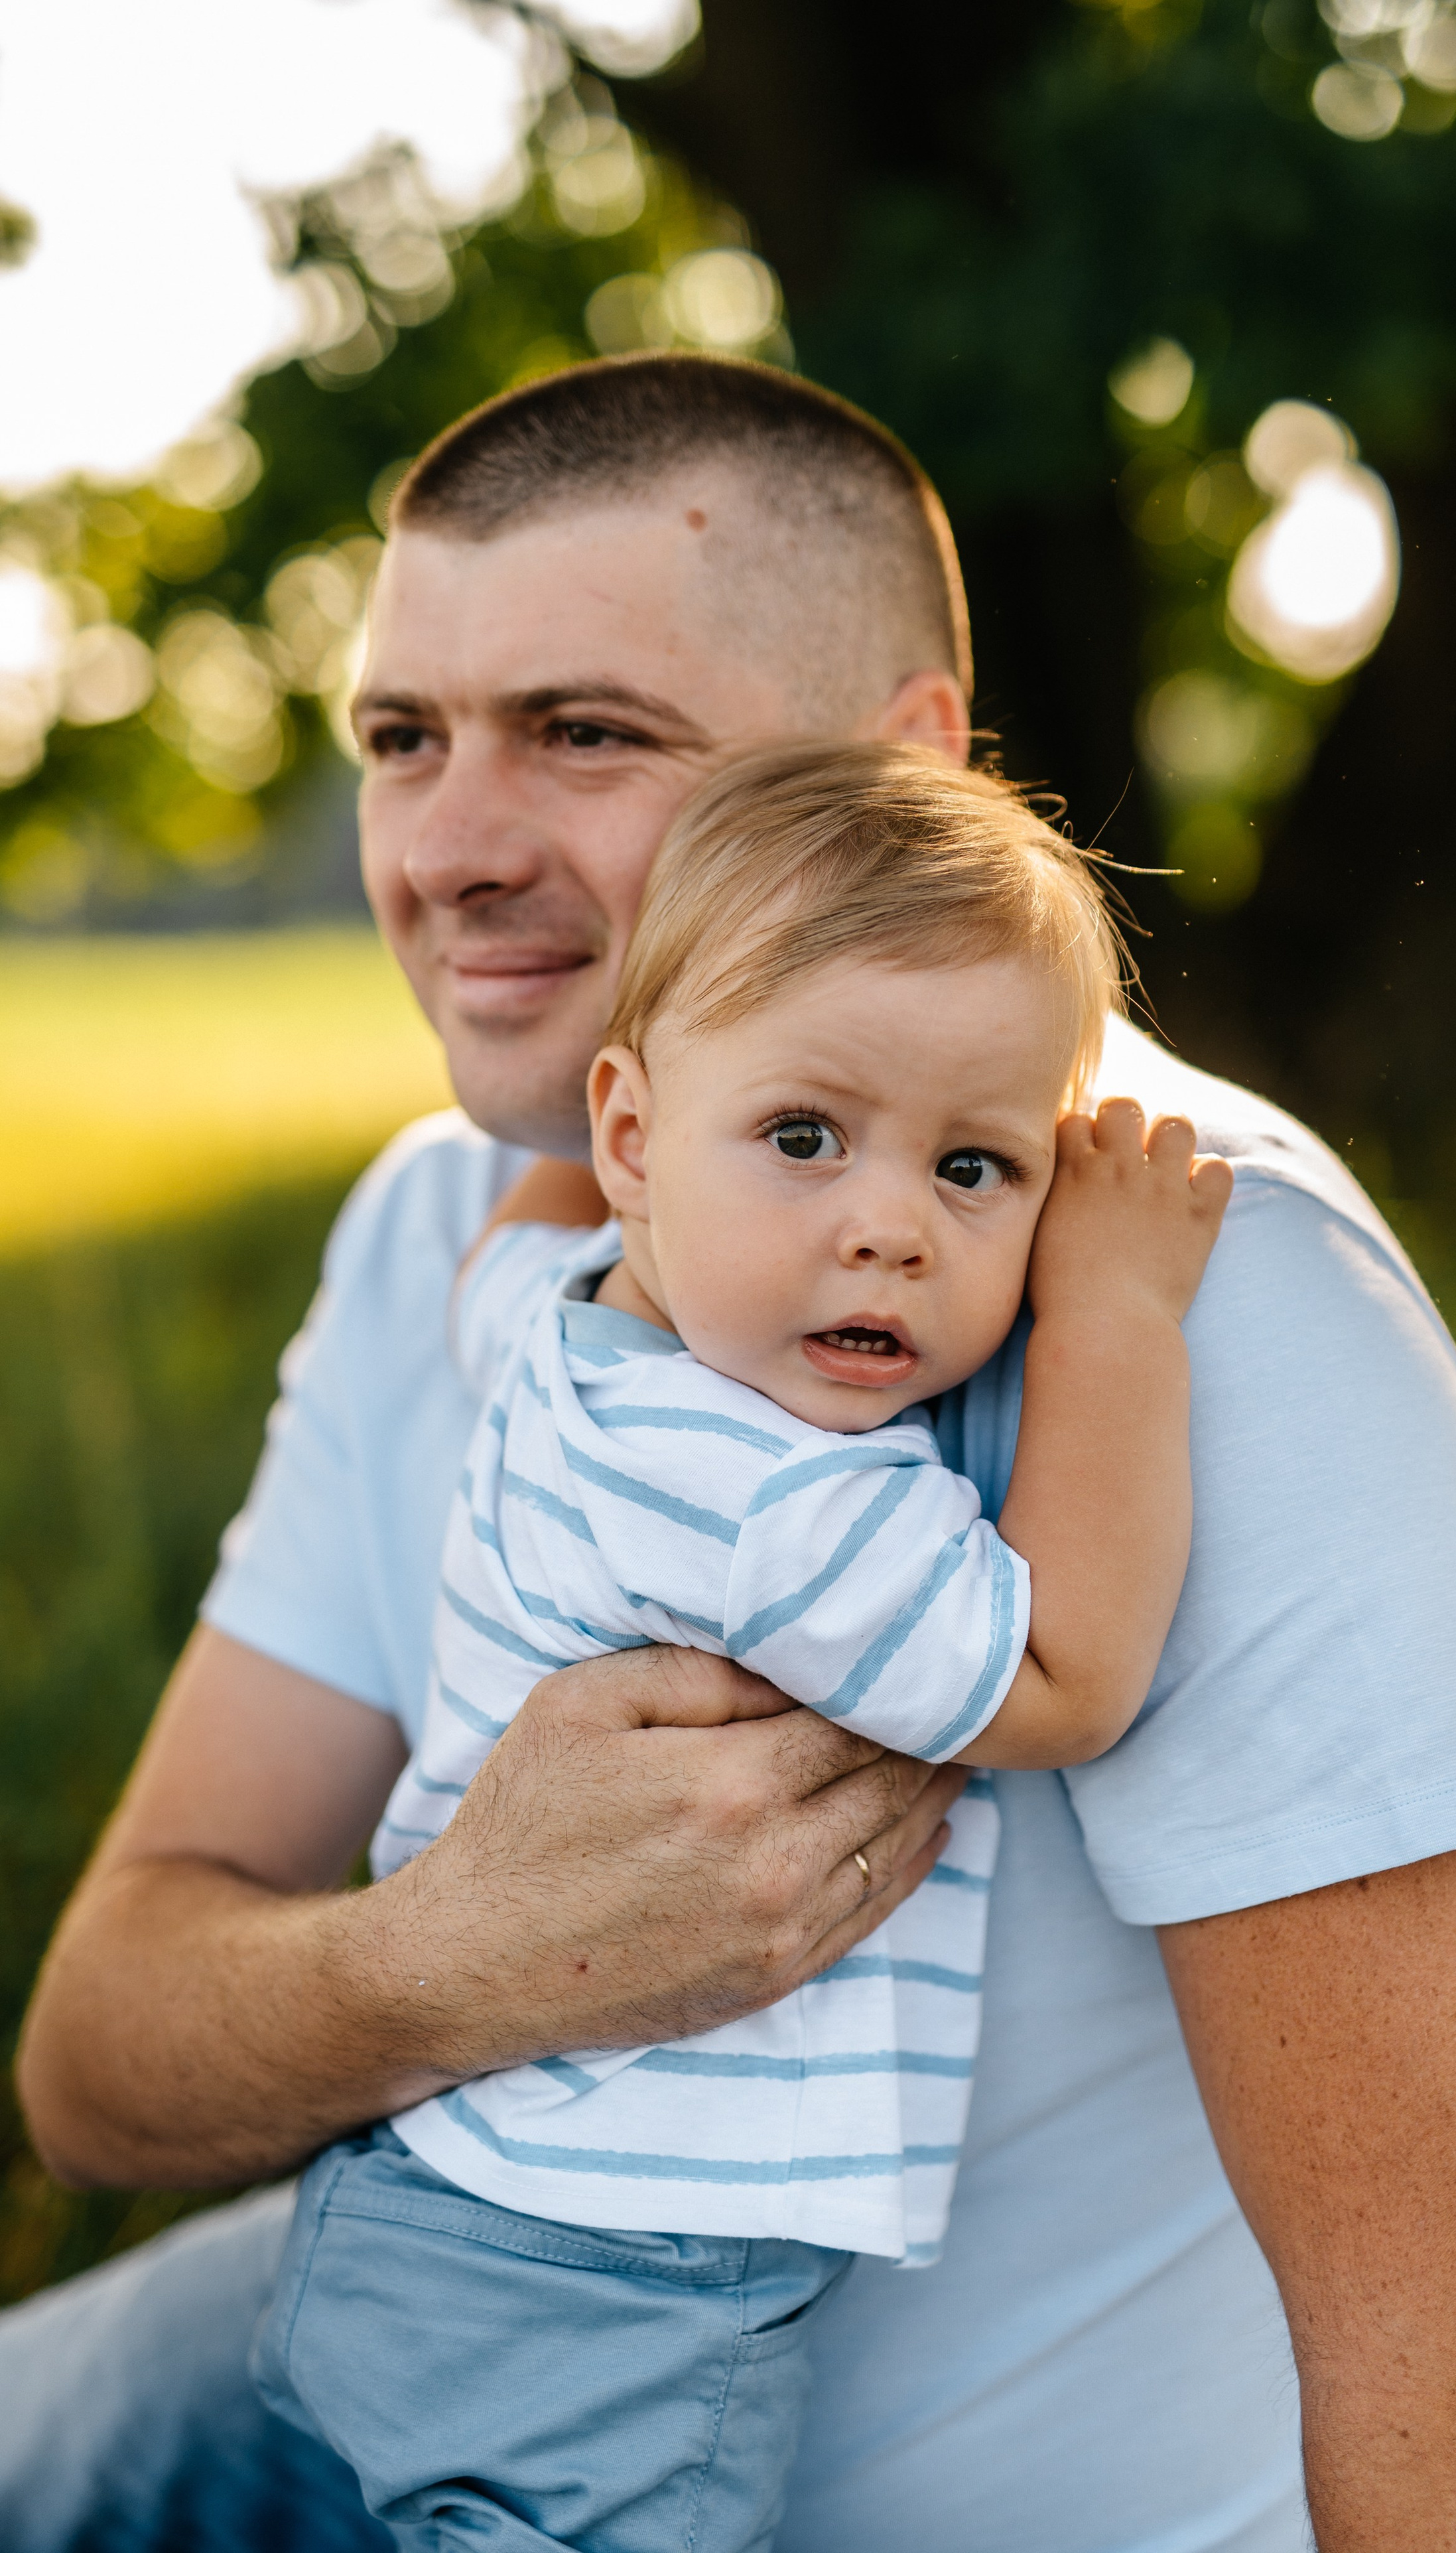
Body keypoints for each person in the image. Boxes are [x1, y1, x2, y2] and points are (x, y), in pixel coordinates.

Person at [5, 354, 1456, 2553]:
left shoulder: (1204, 1296)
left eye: (586, 733)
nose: (449, 850)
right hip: (456, 2306)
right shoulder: (447, 1222)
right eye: (403, 737)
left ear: (908, 775)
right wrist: (461, 1955)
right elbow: (95, 2062)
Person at [253, 741, 1232, 2549]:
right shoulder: (769, 1488)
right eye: (802, 1138)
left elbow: (517, 1251)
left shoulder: (565, 1334)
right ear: (628, 1138)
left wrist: (699, 1152)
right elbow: (1061, 1680)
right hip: (617, 2270)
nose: (885, 1225)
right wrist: (1117, 1312)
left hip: (460, 2199)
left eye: (978, 1167)